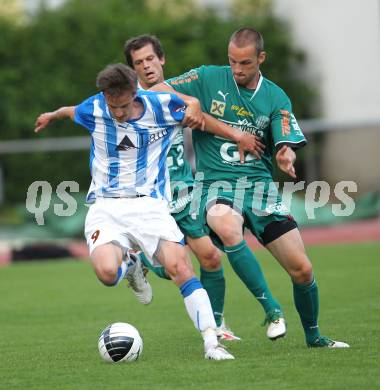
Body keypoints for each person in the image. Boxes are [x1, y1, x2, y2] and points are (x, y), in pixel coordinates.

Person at [154, 28, 349, 348]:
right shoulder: (206, 78)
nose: (237, 69)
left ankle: (314, 337)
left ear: (261, 58)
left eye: (245, 63)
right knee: (226, 225)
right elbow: (157, 89)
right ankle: (272, 310)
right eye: (232, 61)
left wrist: (285, 153)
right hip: (216, 186)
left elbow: (284, 136)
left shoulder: (275, 96)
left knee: (302, 269)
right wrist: (188, 100)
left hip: (260, 190)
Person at [33, 63, 235, 360]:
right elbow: (71, 110)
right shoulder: (95, 108)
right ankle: (131, 265)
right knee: (105, 273)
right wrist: (53, 115)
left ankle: (211, 344)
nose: (117, 112)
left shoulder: (161, 106)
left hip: (149, 205)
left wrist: (231, 131)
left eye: (124, 105)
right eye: (112, 105)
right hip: (106, 205)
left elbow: (197, 113)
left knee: (181, 268)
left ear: (135, 91)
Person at [124, 34, 286, 341]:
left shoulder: (176, 97)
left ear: (162, 59)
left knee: (211, 256)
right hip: (150, 198)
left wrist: (235, 134)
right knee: (178, 264)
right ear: (132, 68)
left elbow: (205, 120)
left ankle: (220, 325)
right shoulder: (129, 106)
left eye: (150, 59)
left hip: (184, 190)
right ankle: (141, 260)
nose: (146, 66)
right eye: (138, 63)